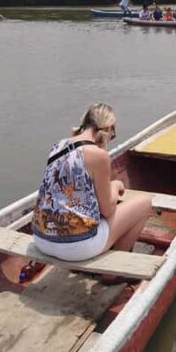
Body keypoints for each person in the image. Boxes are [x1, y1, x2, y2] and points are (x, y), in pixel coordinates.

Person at [32, 103, 152, 266]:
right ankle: (114, 271)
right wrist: (115, 186)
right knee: (145, 203)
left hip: (41, 239)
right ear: (108, 128)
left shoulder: (58, 146)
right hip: (77, 247)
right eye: (113, 133)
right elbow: (107, 210)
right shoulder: (99, 156)